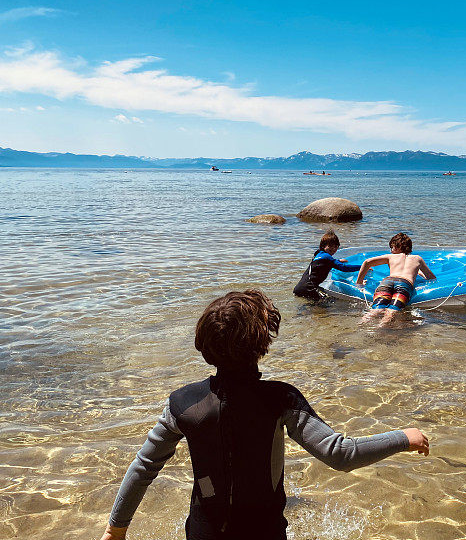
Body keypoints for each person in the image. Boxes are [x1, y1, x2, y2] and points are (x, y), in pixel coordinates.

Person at [99, 289, 429, 540]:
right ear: (262, 344)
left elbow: (143, 467)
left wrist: (116, 528)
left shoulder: (183, 403)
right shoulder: (280, 399)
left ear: (204, 344)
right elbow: (340, 454)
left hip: (203, 531)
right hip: (263, 532)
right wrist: (402, 437)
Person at [356, 233, 436, 324]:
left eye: (392, 247)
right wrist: (418, 273)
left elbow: (367, 262)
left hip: (387, 282)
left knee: (376, 309)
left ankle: (360, 325)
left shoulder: (390, 257)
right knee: (391, 311)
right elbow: (431, 277)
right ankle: (380, 331)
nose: (391, 251)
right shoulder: (417, 258)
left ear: (398, 247)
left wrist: (359, 283)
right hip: (404, 284)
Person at [293, 230, 360, 300]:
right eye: (330, 246)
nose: (333, 248)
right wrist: (362, 267)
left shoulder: (318, 254)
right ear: (323, 246)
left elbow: (322, 263)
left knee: (318, 304)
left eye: (336, 246)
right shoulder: (327, 258)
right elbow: (344, 268)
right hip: (308, 289)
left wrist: (337, 261)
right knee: (325, 305)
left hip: (299, 288)